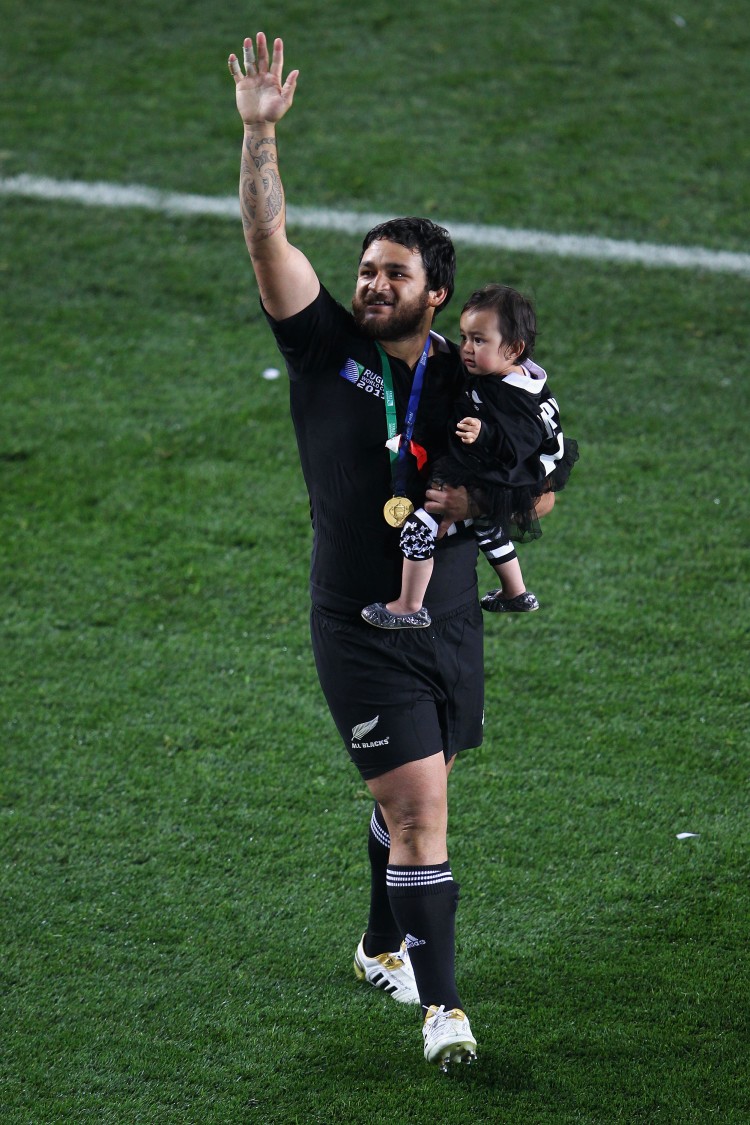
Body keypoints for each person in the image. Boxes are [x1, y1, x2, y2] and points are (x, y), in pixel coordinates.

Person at [227, 32, 555, 1069]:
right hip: (360, 620)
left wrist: (511, 505)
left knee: (422, 781)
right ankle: (443, 1011)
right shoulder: (323, 344)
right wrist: (258, 138)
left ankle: (380, 942)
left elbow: (538, 479)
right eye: (365, 268)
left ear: (435, 294)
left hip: (450, 614)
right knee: (420, 809)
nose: (370, 283)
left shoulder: (475, 376)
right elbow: (265, 237)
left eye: (392, 273)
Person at [361, 283, 579, 630]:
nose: (466, 349)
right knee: (488, 528)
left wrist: (485, 433)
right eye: (464, 337)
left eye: (478, 341)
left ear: (514, 349)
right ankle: (516, 592)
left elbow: (519, 446)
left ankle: (408, 606)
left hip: (507, 478)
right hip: (506, 473)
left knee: (420, 528)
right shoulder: (510, 376)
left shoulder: (510, 397)